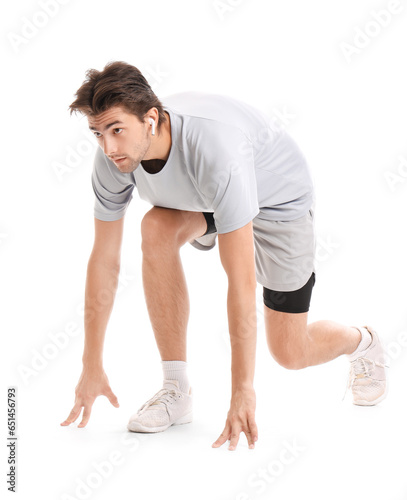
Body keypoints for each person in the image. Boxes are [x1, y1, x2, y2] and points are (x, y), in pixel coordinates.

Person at [60, 61, 388, 450]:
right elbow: (104, 260)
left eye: (116, 130)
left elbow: (240, 279)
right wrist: (90, 362)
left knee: (290, 351)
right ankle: (175, 390)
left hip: (276, 201)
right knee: (156, 229)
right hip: (203, 194)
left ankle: (362, 342)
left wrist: (242, 390)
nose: (108, 146)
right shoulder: (113, 160)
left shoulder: (217, 151)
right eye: (98, 133)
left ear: (150, 119)